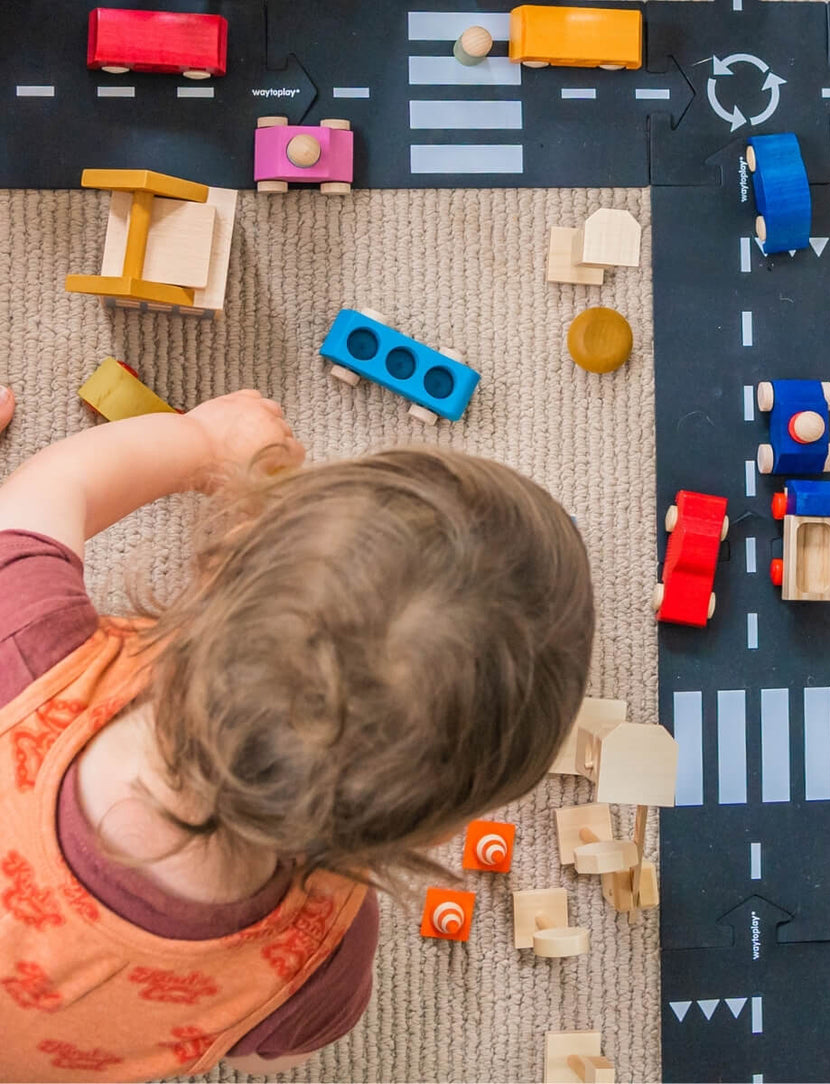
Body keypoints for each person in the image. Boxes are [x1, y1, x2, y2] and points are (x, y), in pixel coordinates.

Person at [0, 390, 594, 1080]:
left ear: (222, 556)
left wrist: (199, 442)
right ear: (437, 828)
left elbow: (47, 489)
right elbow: (278, 1056)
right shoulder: (317, 964)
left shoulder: (28, 657)